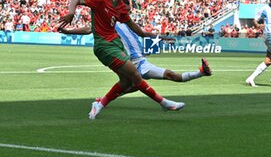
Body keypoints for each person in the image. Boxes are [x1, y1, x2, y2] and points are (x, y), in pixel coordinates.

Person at [59, 0, 186, 120]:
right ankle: (164, 103)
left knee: (127, 82)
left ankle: (99, 105)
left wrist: (159, 37)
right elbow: (76, 0)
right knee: (135, 75)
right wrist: (71, 13)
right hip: (104, 46)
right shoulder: (100, 0)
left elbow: (140, 32)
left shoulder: (120, 9)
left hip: (116, 45)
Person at [59, 23, 212, 104]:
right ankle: (102, 102)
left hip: (142, 61)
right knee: (130, 85)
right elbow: (88, 29)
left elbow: (144, 33)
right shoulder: (108, 22)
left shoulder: (127, 22)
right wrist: (68, 32)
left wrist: (163, 38)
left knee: (170, 75)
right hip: (127, 62)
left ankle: (201, 73)